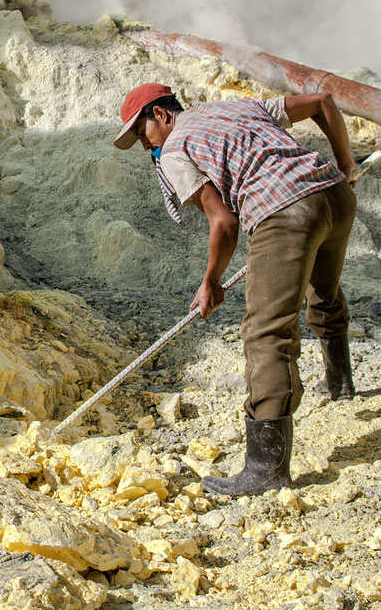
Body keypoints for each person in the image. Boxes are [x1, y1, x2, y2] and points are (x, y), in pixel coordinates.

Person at [113, 83, 357, 496]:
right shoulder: (236, 107)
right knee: (323, 286)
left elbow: (223, 222)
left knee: (266, 333)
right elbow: (322, 101)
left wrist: (210, 281)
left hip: (286, 213)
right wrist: (345, 167)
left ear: (161, 115)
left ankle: (266, 469)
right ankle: (341, 382)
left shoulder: (174, 150)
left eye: (141, 133)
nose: (144, 146)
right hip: (332, 195)